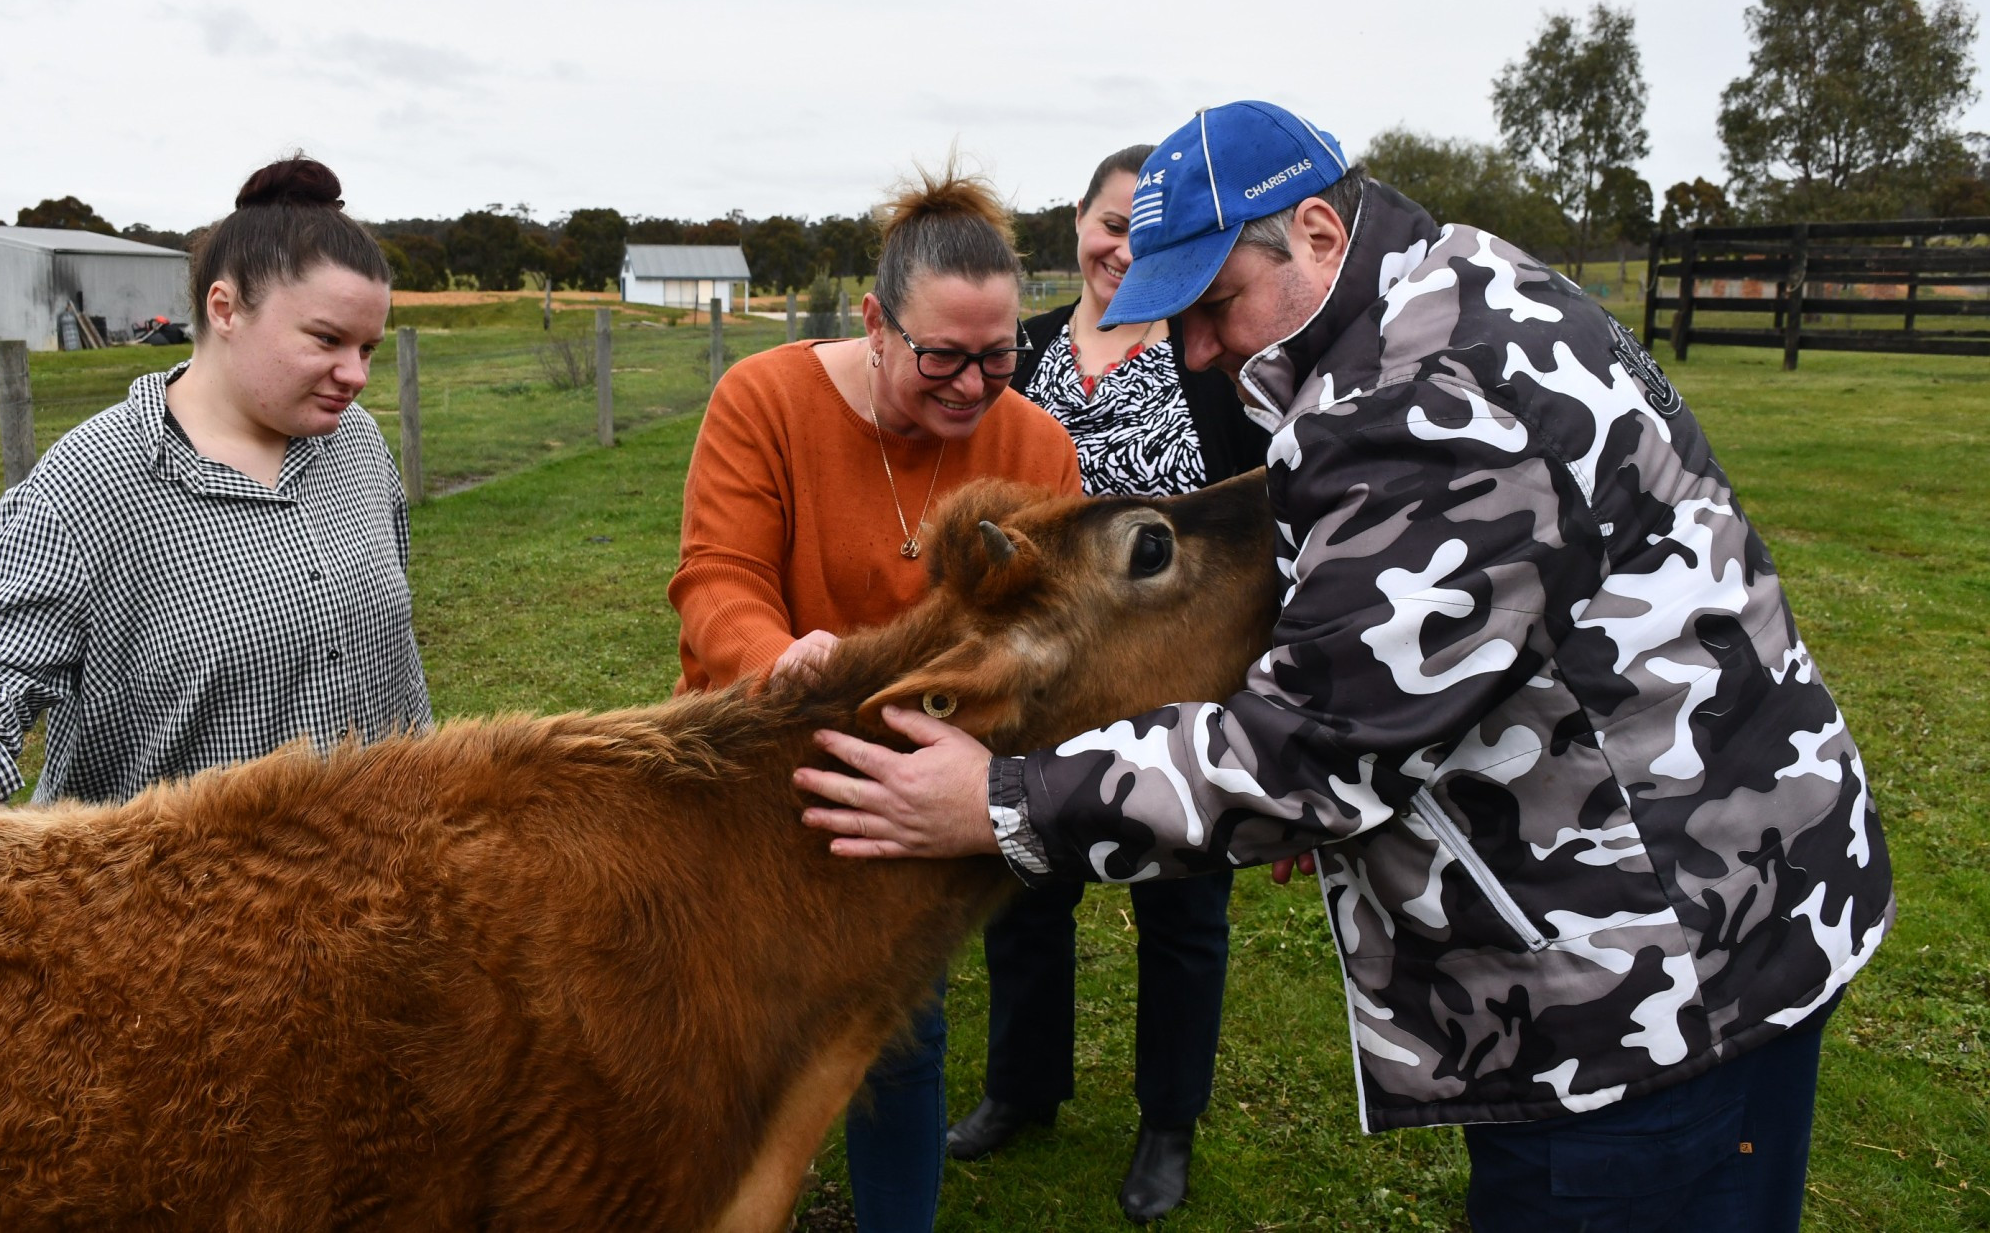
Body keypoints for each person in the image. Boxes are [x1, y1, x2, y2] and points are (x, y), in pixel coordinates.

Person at [795, 101, 1894, 1233]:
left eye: (1214, 307)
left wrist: (997, 798)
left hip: (1645, 988)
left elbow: (1307, 754)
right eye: (1176, 322)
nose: (1198, 353)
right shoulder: (1459, 280)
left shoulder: (1414, 405)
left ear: (1317, 232)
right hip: (1723, 898)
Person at [667, 159, 1080, 1232]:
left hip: (910, 796)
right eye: (940, 356)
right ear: (874, 322)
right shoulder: (762, 400)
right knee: (729, 1030)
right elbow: (716, 578)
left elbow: (1051, 637)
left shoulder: (1035, 447)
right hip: (749, 767)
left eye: (998, 358)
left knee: (899, 1034)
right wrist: (775, 659)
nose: (971, 385)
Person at [943, 143, 1267, 1222]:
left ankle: (1166, 1123)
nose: (1123, 247)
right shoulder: (1018, 351)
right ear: (1074, 222)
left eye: (1149, 233)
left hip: (1173, 681)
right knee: (1024, 891)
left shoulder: (1205, 353)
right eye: (1109, 222)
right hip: (1045, 675)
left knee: (1181, 910)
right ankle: (1020, 1089)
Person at [0, 155, 430, 808]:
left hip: (390, 882)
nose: (356, 374)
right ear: (224, 309)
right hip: (181, 906)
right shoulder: (82, 491)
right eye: (327, 339)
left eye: (366, 348)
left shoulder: (358, 443)